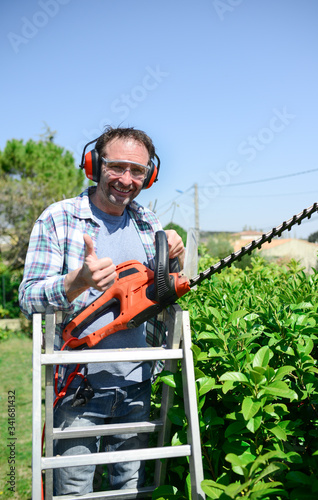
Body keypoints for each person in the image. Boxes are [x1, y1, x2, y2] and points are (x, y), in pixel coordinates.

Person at [19, 126, 185, 495]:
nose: (127, 180)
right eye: (117, 167)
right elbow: (28, 297)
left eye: (137, 171)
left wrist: (176, 264)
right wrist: (75, 281)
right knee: (74, 490)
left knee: (127, 488)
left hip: (137, 384)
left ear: (150, 175)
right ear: (94, 165)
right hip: (78, 387)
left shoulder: (149, 223)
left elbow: (158, 294)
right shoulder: (58, 219)